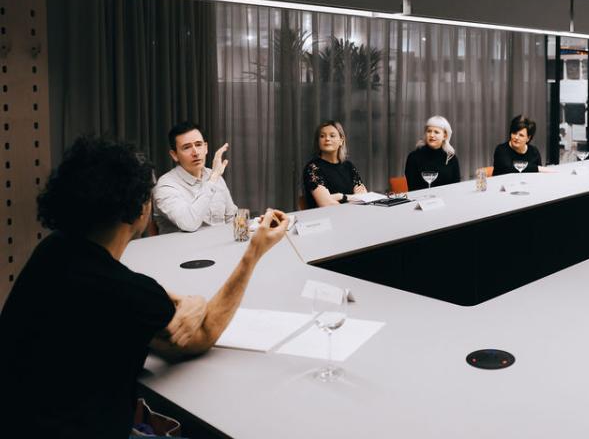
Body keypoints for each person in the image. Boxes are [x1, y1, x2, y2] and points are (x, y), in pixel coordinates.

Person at [0, 136, 289, 438]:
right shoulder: (126, 293)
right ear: (140, 209)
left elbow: (129, 297)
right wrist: (253, 253)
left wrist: (183, 302)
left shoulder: (53, 250)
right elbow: (202, 335)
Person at [153, 121, 237, 234]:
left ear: (206, 148)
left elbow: (231, 218)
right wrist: (213, 179)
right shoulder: (165, 186)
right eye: (187, 147)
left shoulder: (214, 175)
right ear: (174, 155)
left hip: (221, 243)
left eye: (198, 145)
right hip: (184, 246)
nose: (195, 152)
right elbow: (189, 223)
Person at [302, 121, 368, 207]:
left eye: (332, 135)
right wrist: (348, 197)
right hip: (326, 215)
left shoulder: (348, 166)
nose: (327, 139)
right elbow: (326, 204)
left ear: (341, 141)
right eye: (322, 136)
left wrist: (339, 197)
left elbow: (363, 197)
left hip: (352, 213)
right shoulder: (313, 168)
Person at [405, 116, 461, 191]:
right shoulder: (413, 157)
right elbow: (413, 188)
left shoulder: (451, 158)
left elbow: (456, 187)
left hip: (447, 197)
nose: (431, 135)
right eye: (429, 131)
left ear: (445, 136)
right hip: (422, 198)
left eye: (436, 132)